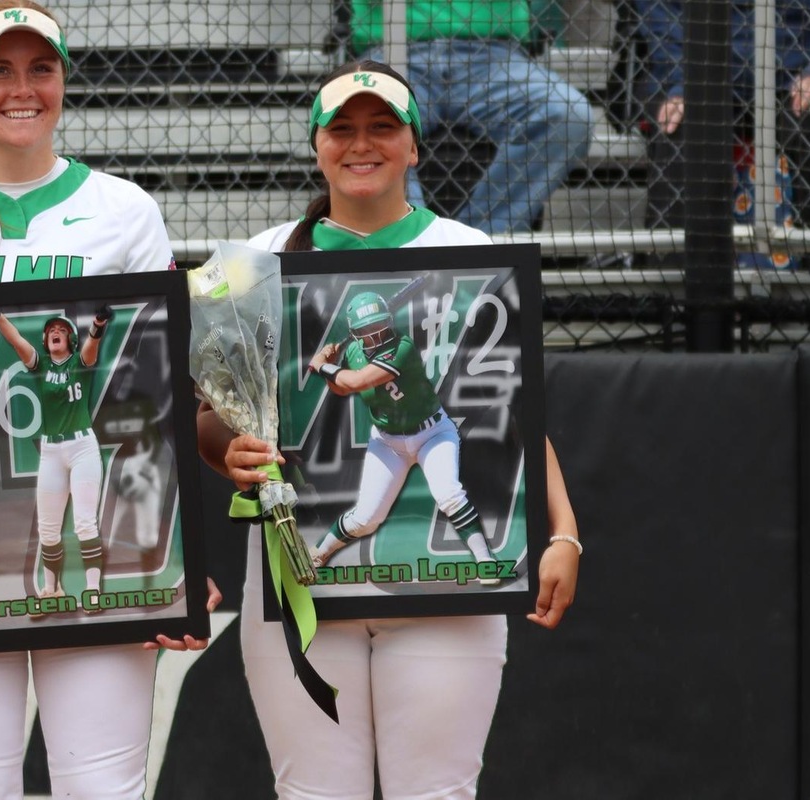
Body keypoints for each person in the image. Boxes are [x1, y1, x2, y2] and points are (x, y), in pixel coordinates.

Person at [197, 61, 583, 799]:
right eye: (342, 128)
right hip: (297, 583)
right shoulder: (249, 263)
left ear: (414, 145)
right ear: (317, 145)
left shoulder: (472, 254)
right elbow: (208, 419)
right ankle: (337, 545)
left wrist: (562, 532)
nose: (361, 143)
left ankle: (468, 548)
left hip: (444, 593)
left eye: (382, 127)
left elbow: (516, 415)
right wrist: (233, 454)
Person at [0, 3, 201, 796]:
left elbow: (157, 389)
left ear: (62, 82)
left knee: (101, 788)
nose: (22, 89)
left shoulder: (127, 210)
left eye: (40, 69)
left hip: (109, 539)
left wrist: (184, 560)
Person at [342, 0, 596, 234]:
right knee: (372, 121)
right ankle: (414, 244)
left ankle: (476, 250)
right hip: (391, 50)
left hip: (494, 55)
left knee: (569, 114)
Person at [304, 293, 499, 576]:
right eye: (367, 330)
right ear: (355, 334)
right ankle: (319, 554)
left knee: (449, 495)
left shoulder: (402, 347)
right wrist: (330, 369)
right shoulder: (354, 353)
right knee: (366, 519)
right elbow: (342, 388)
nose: (376, 334)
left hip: (432, 432)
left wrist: (323, 365)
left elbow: (358, 381)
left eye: (380, 325)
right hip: (387, 441)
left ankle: (486, 561)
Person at [636, 0, 810, 230]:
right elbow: (662, 13)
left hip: (794, 76)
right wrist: (683, 80)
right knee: (679, 123)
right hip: (698, 71)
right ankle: (676, 262)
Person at [0, 305, 116, 599]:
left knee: (84, 522)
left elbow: (92, 347)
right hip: (52, 450)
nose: (56, 332)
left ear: (70, 339)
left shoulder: (79, 363)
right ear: (45, 340)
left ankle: (93, 590)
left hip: (82, 447)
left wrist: (98, 324)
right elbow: (17, 341)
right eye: (51, 330)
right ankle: (51, 589)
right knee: (48, 528)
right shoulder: (41, 364)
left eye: (62, 330)